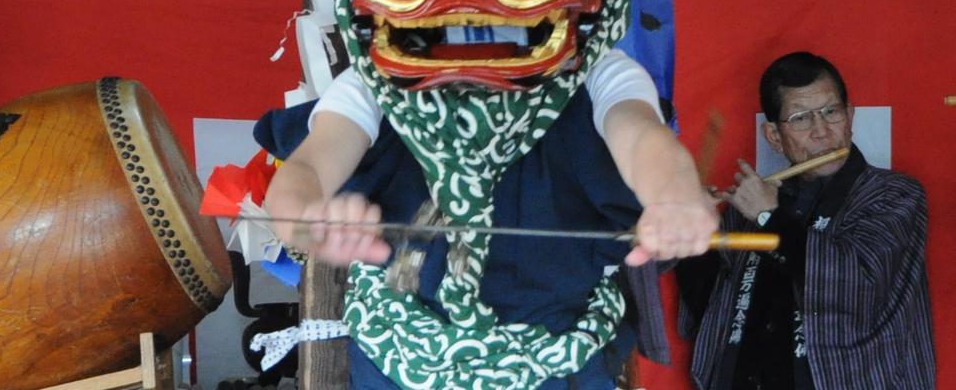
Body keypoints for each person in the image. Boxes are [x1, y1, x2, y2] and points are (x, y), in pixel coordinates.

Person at [258, 47, 718, 389]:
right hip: (399, 358)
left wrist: (673, 194)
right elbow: (309, 165)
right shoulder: (379, 73)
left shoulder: (597, 67)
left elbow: (641, 135)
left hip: (558, 360)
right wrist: (307, 219)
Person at [680, 51, 935, 390]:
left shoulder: (894, 194)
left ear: (850, 116)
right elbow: (710, 311)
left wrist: (769, 218)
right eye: (801, 119)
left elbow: (859, 284)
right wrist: (697, 233)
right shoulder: (748, 207)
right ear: (774, 135)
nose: (821, 132)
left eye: (831, 112)